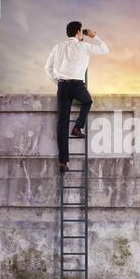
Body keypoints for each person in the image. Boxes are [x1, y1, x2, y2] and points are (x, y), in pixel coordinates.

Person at [44, 21, 109, 173]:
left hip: (63, 86)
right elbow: (105, 49)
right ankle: (78, 127)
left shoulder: (58, 47)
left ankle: (63, 162)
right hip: (77, 86)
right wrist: (94, 36)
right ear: (79, 32)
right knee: (88, 101)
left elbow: (47, 68)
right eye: (82, 32)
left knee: (62, 122)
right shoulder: (84, 46)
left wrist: (58, 81)